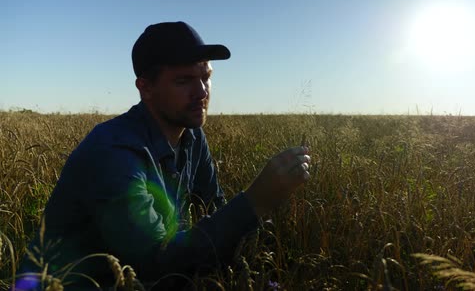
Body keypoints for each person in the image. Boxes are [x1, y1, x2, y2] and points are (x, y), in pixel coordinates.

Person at [17, 21, 311, 289]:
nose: (201, 92)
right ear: (145, 88)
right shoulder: (113, 151)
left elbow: (212, 207)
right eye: (183, 80)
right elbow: (156, 259)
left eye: (206, 76)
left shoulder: (192, 135)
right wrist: (256, 201)